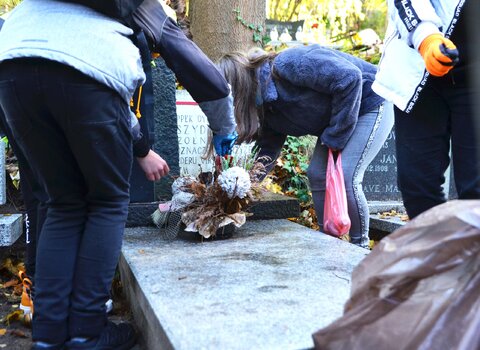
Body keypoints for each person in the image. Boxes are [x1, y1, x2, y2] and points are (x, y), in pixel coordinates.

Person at [0, 1, 209, 349]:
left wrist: (141, 149)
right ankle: (87, 331)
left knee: (63, 203)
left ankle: (49, 336)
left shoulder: (42, 9)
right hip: (87, 82)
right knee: (108, 201)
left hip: (12, 68)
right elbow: (113, 94)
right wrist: (143, 148)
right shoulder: (129, 15)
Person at [217, 46, 394, 248]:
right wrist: (244, 189)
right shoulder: (266, 106)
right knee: (317, 173)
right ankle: (328, 240)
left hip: (369, 101)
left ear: (238, 88)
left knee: (346, 176)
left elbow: (350, 78)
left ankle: (359, 248)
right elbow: (268, 150)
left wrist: (335, 137)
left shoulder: (289, 64)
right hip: (340, 119)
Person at [372, 0, 480, 218]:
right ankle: (436, 249)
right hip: (422, 67)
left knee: (476, 190)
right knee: (417, 185)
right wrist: (426, 38)